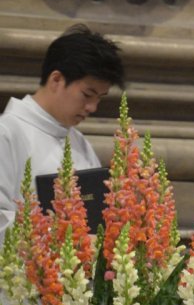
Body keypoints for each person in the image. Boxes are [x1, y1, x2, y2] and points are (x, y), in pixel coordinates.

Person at [0, 25, 124, 233]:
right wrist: (59, 234)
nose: (92, 107)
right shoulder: (7, 133)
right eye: (87, 94)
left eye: (99, 98)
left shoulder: (80, 143)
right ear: (56, 79)